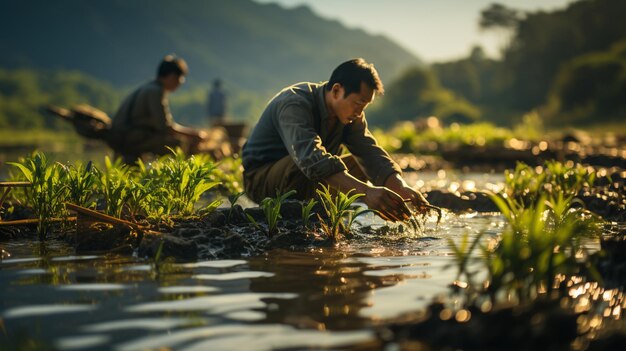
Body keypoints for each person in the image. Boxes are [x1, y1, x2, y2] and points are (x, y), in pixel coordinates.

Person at [242, 58, 429, 222]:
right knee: (306, 160)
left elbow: (370, 153)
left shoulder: (351, 115)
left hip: (305, 177)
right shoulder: (295, 103)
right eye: (357, 103)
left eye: (364, 106)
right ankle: (304, 213)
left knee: (360, 163)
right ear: (337, 90)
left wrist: (401, 189)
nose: (359, 112)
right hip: (262, 181)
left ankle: (319, 209)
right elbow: (310, 158)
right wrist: (367, 193)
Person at [111, 55, 208, 163]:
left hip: (125, 135)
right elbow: (166, 127)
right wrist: (194, 134)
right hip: (129, 137)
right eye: (180, 79)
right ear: (172, 76)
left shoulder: (149, 87)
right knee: (177, 145)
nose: (180, 83)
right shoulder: (155, 91)